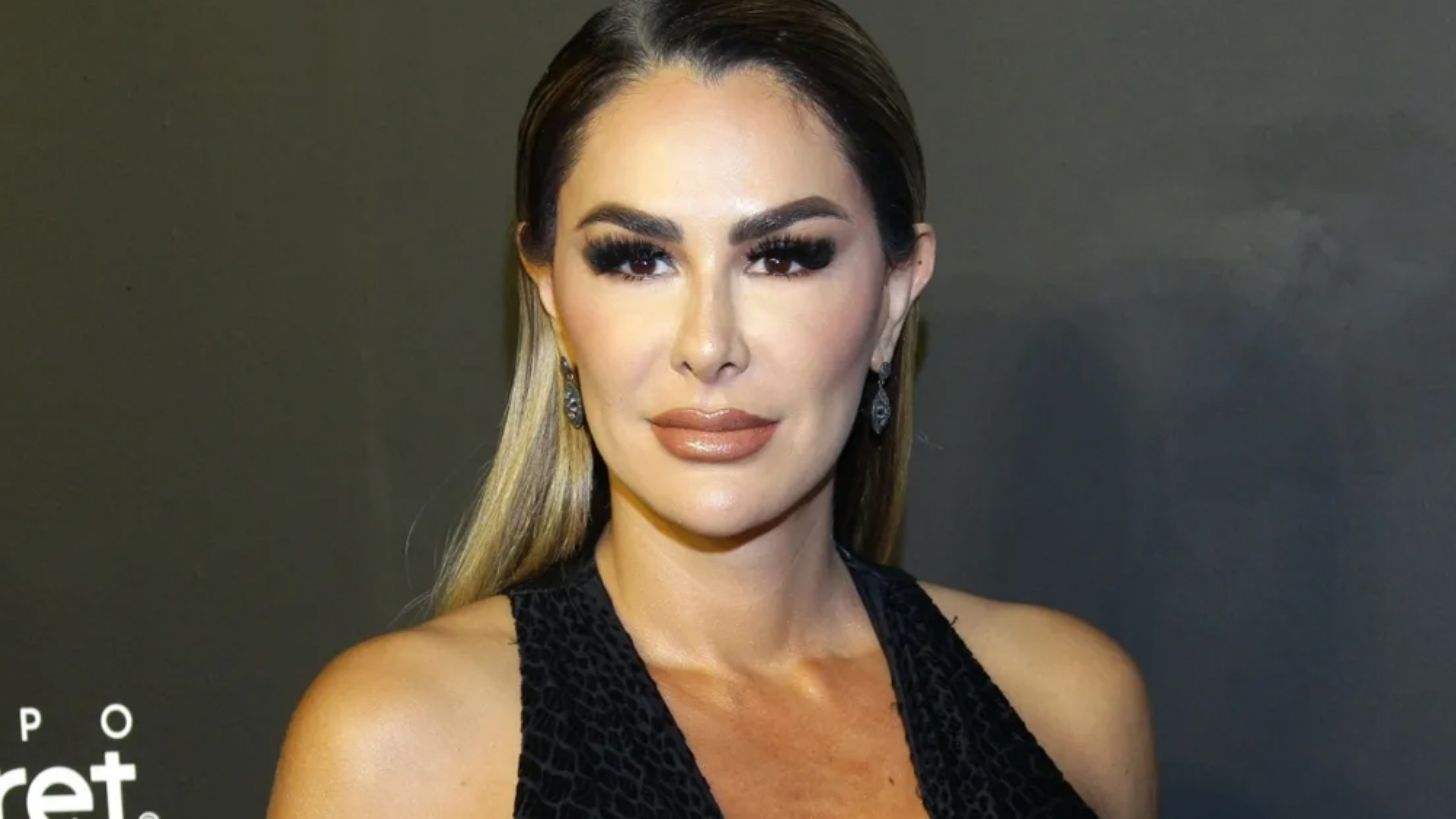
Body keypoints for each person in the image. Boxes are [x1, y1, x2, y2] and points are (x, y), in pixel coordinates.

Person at [266, 0, 1157, 816]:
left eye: (783, 255)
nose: (708, 343)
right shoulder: (398, 748)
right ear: (553, 302)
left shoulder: (1072, 705)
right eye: (636, 258)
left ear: (893, 297)